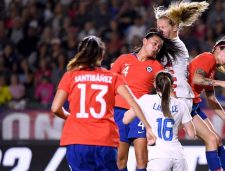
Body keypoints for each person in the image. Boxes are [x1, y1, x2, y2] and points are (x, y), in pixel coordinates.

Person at [51, 36, 156, 171]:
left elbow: (55, 108)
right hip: (104, 140)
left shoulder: (71, 76)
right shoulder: (112, 78)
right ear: (102, 54)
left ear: (80, 53)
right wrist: (148, 127)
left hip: (77, 140)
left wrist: (70, 117)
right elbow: (134, 103)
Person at [111, 30, 181, 171]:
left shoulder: (157, 67)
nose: (156, 48)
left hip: (141, 114)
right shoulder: (123, 59)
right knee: (120, 159)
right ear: (144, 41)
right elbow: (109, 82)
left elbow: (167, 90)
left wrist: (178, 107)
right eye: (154, 43)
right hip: (119, 112)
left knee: (142, 160)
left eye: (159, 47)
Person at [123, 71, 196, 171]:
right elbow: (192, 134)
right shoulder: (181, 104)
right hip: (179, 157)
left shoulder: (146, 100)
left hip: (158, 157)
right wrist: (176, 124)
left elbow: (126, 119)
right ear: (172, 85)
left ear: (154, 84)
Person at [188, 36, 225, 171]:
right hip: (185, 106)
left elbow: (211, 99)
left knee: (216, 139)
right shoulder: (208, 58)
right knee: (212, 139)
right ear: (217, 49)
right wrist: (222, 83)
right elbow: (197, 79)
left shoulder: (211, 68)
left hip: (193, 106)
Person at [155, 1, 209, 112]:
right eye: (158, 28)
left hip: (179, 97)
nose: (159, 31)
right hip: (175, 96)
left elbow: (152, 60)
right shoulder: (168, 43)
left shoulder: (176, 46)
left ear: (175, 27)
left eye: (163, 27)